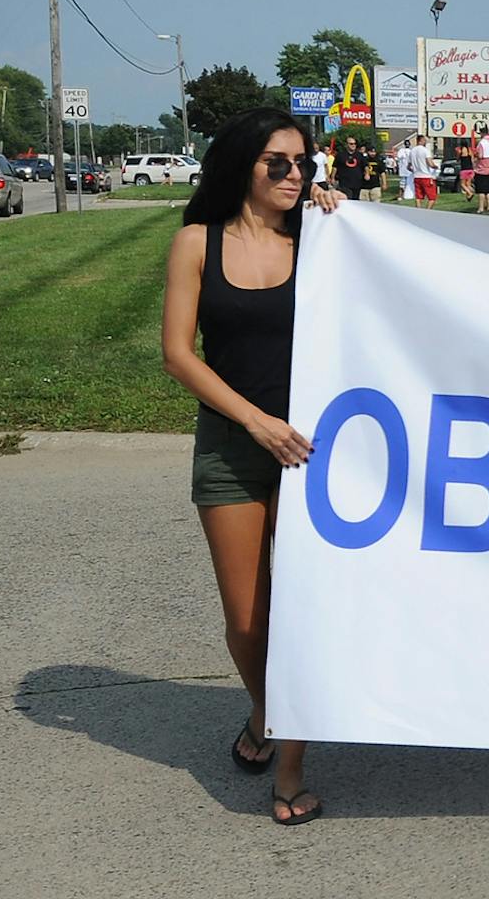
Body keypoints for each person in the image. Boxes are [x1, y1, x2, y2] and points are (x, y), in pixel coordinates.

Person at [160, 107, 342, 826]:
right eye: (279, 163)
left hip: (314, 454)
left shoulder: (321, 235)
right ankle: (268, 707)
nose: (295, 175)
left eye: (304, 164)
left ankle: (291, 769)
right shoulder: (195, 244)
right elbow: (178, 354)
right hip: (237, 445)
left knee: (298, 615)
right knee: (247, 619)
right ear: (242, 165)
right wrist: (256, 422)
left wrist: (339, 210)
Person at [407, 134, 437, 207]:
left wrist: (414, 170)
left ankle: (418, 211)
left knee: (418, 196)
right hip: (426, 176)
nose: (425, 142)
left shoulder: (412, 151)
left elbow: (408, 166)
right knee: (432, 197)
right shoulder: (425, 151)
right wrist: (435, 166)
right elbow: (430, 163)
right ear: (421, 141)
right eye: (424, 140)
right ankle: (427, 211)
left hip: (417, 176)